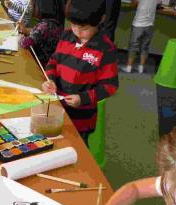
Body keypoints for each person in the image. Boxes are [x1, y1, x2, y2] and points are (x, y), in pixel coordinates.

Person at [42, 0, 119, 146]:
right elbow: (53, 61)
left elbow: (110, 86)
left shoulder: (106, 49)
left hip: (81, 118)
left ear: (101, 19)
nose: (77, 31)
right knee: (53, 144)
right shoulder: (66, 36)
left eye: (84, 28)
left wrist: (83, 98)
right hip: (56, 107)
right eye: (73, 25)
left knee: (77, 148)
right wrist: (50, 79)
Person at [17, 0, 64, 66]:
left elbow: (26, 43)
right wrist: (26, 30)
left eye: (34, 5)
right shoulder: (55, 23)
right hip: (51, 62)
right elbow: (40, 34)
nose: (32, 8)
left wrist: (20, 38)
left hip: (40, 64)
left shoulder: (44, 26)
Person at [122, 0, 162, 73]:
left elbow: (133, 4)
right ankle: (141, 68)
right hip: (150, 24)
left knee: (133, 46)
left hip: (138, 23)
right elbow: (159, 4)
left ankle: (129, 67)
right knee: (145, 47)